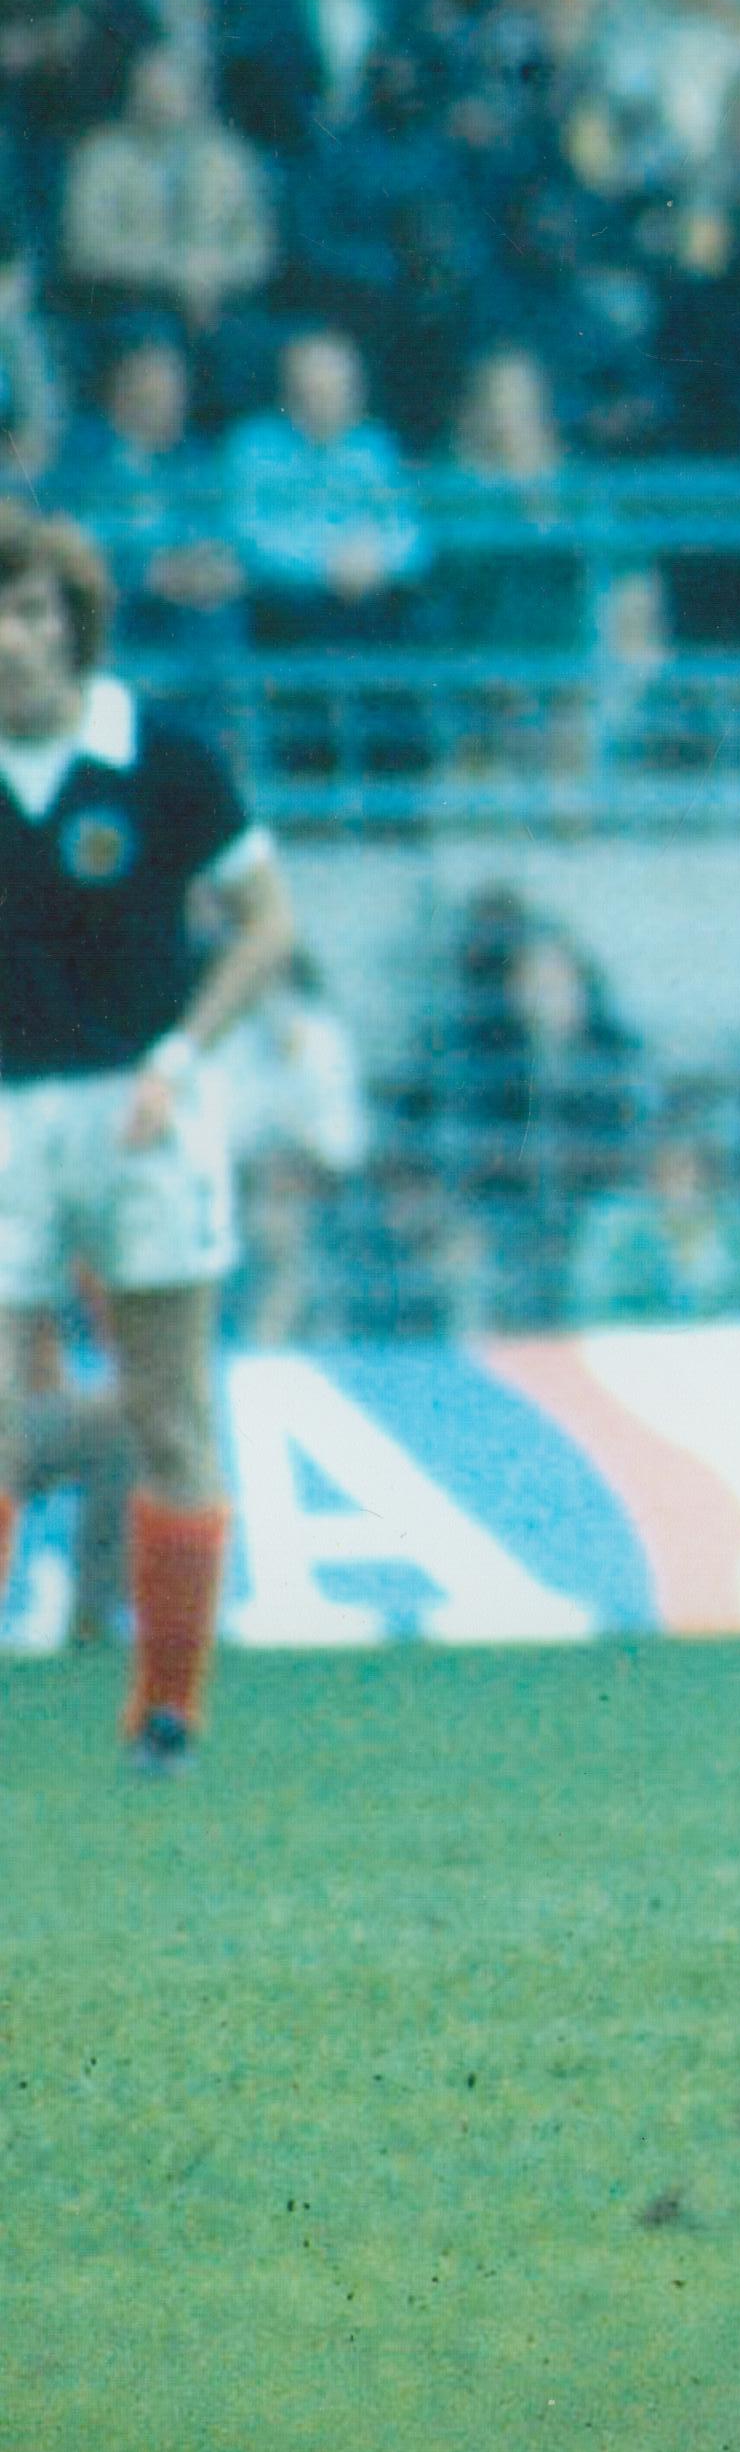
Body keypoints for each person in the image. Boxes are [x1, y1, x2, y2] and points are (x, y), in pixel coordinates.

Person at [0, 507, 305, 1772]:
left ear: (73, 625)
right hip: (11, 1114)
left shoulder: (163, 758)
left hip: (144, 1107)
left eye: (29, 611)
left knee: (172, 1407)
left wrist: (183, 1053)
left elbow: (266, 921)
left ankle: (166, 1711)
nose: (10, 638)